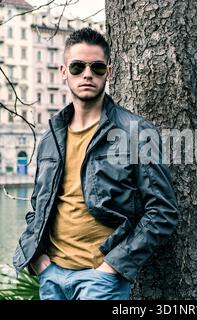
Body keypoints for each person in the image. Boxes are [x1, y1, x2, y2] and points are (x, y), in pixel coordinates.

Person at [12, 28, 180, 300]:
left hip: (100, 281)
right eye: (78, 67)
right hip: (51, 276)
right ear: (64, 71)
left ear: (108, 72)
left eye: (97, 67)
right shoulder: (50, 137)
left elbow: (162, 211)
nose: (87, 74)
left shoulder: (136, 132)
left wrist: (113, 267)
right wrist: (38, 260)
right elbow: (38, 208)